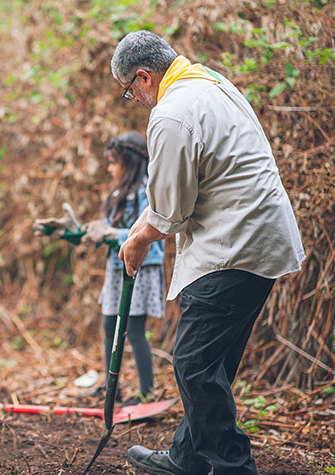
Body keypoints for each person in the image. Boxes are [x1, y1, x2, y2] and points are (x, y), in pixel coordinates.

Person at [111, 31, 305, 475]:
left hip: (233, 245)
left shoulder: (172, 113)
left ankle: (234, 466)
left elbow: (170, 213)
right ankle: (188, 457)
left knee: (193, 364)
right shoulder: (212, 83)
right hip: (261, 240)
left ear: (144, 76)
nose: (135, 98)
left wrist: (138, 241)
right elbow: (174, 198)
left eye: (130, 90)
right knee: (210, 363)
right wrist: (142, 229)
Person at [34, 131, 165, 406]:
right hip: (116, 267)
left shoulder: (146, 191)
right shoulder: (118, 194)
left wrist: (109, 233)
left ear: (128, 163)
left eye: (113, 162)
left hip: (140, 267)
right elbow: (100, 233)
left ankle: (146, 391)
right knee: (109, 325)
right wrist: (66, 233)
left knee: (135, 328)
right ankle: (111, 386)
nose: (109, 168)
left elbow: (151, 234)